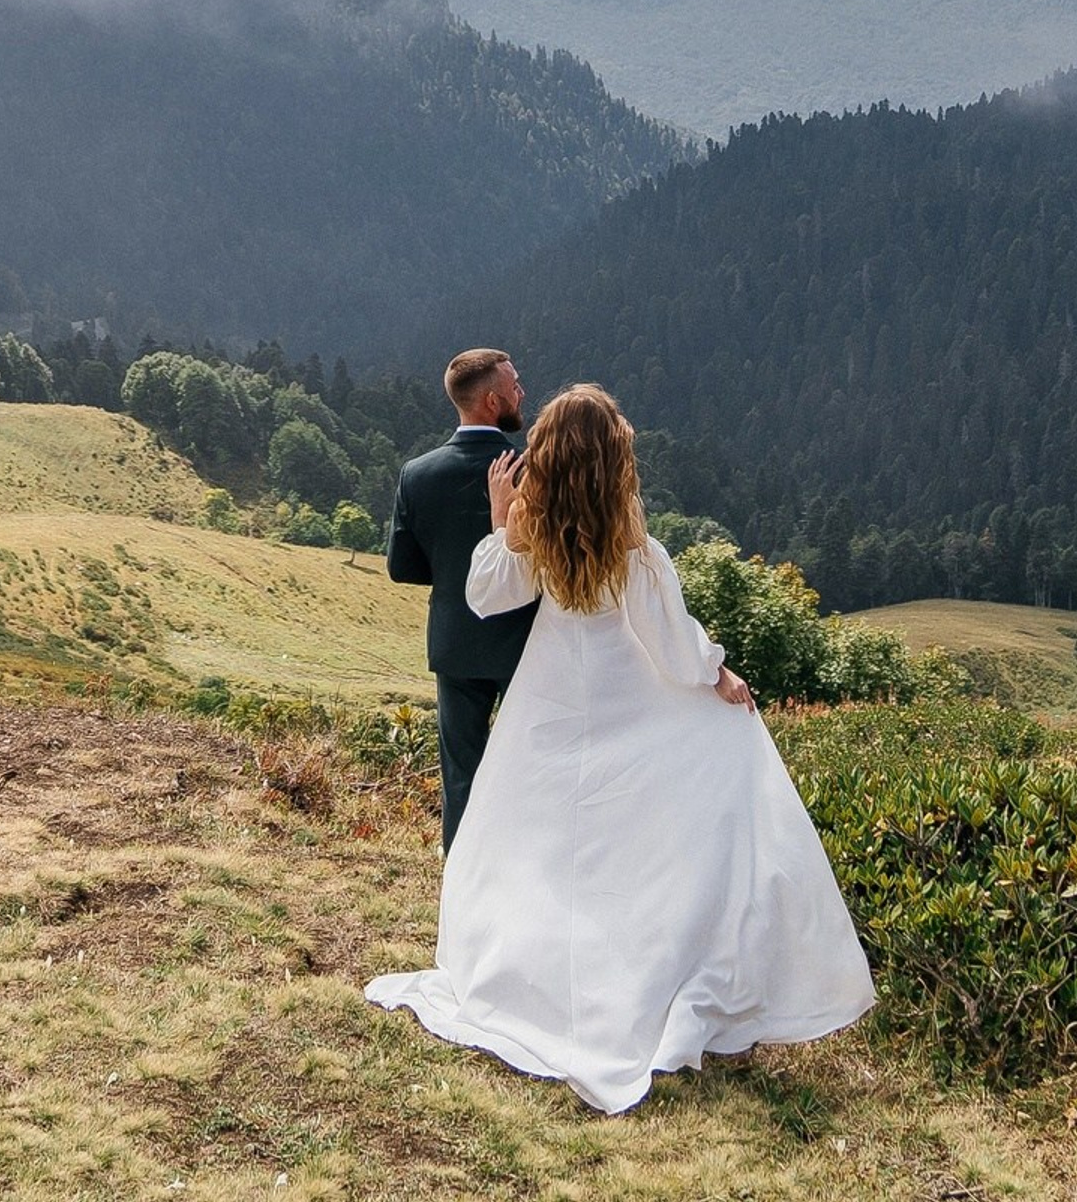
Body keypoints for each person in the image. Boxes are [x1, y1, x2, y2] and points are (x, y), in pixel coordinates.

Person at [367, 383, 874, 1115]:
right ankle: (629, 980)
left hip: (547, 704)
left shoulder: (533, 535)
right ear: (614, 463)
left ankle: (532, 978)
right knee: (624, 847)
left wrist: (503, 520)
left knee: (534, 842)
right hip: (621, 700)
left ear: (548, 457)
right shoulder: (633, 548)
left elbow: (485, 597)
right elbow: (668, 638)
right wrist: (716, 673)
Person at [385, 346, 539, 847]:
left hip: (456, 643)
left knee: (461, 777)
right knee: (534, 769)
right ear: (492, 402)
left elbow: (401, 568)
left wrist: (456, 578)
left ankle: (463, 888)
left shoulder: (417, 473)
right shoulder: (532, 471)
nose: (522, 392)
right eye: (515, 386)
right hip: (528, 642)